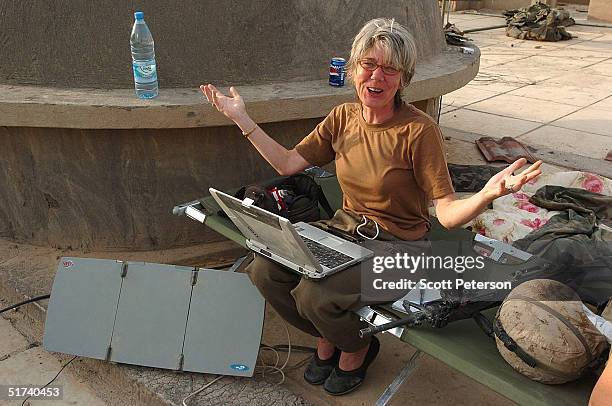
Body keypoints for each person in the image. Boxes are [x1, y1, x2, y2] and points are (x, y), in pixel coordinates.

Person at [201, 18, 542, 395]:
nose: (377, 76)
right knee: (264, 271)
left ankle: (357, 346)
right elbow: (287, 164)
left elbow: (445, 212)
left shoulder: (418, 131)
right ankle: (333, 334)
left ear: (403, 78)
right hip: (343, 229)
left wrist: (487, 194)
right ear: (353, 68)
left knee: (316, 296)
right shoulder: (342, 118)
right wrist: (241, 118)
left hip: (402, 250)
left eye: (390, 68)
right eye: (368, 64)